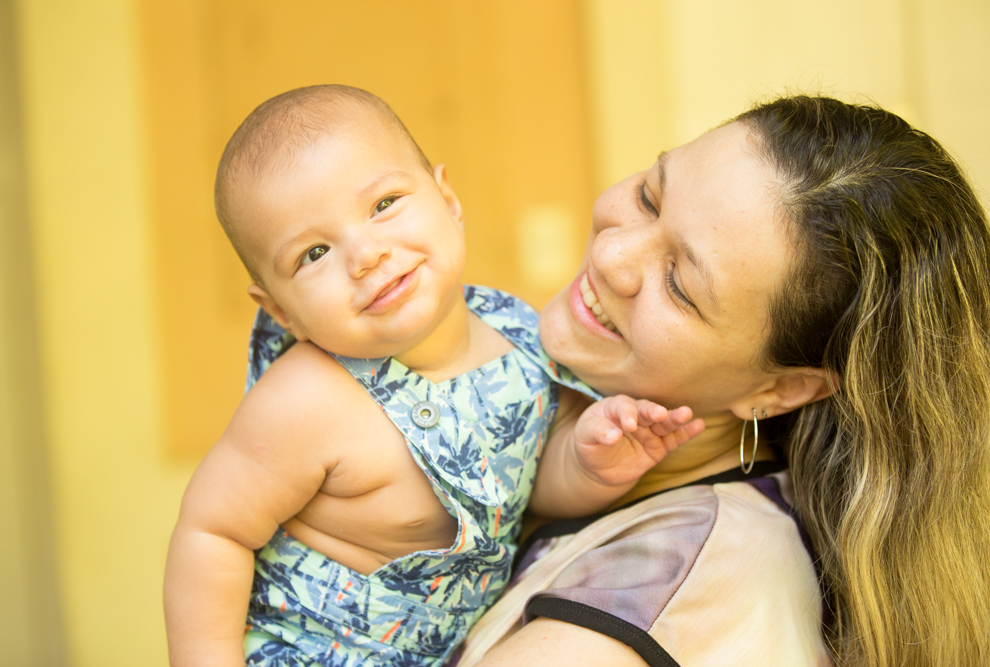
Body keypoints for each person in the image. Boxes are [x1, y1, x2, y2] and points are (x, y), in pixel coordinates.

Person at [162, 85, 704, 667]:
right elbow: (212, 533)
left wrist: (586, 461)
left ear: (448, 200)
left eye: (383, 203)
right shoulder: (306, 399)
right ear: (280, 311)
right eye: (314, 253)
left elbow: (515, 493)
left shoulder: (517, 335)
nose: (366, 255)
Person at [450, 96, 990, 667]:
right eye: (649, 197)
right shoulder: (544, 410)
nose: (611, 254)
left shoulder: (674, 588)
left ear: (780, 390)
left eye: (680, 286)